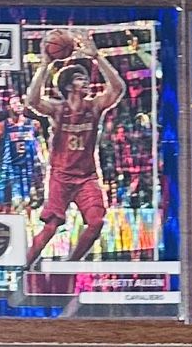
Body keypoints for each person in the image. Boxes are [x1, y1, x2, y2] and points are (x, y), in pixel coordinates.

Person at [24, 31, 126, 267]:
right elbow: (32, 101)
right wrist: (45, 65)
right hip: (61, 176)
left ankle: (70, 263)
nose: (87, 82)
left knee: (97, 222)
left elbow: (118, 89)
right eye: (81, 79)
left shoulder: (94, 107)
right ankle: (24, 266)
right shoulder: (58, 110)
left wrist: (96, 57)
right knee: (51, 226)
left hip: (87, 176)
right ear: (69, 86)